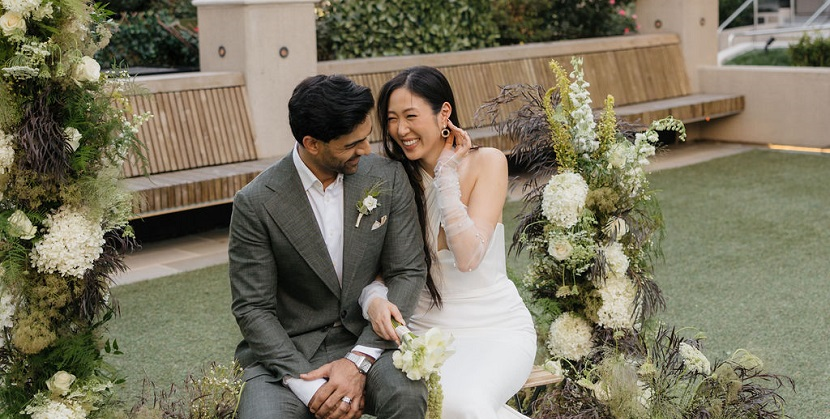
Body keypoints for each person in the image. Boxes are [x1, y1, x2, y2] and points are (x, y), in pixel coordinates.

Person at [228, 74, 428, 419]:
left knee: (406, 394)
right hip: (288, 355)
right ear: (312, 143)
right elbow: (252, 309)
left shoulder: (388, 177)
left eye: (366, 139)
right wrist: (310, 387)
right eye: (351, 145)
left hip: (368, 343)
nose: (365, 151)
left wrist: (357, 362)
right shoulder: (255, 202)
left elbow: (407, 271)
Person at [360, 66, 537, 419]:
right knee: (452, 406)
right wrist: (373, 300)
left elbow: (468, 255)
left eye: (411, 116)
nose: (401, 130)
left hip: (496, 328)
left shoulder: (488, 162)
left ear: (444, 113)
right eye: (392, 119)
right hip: (424, 336)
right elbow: (377, 271)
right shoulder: (389, 179)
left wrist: (445, 175)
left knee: (462, 405)